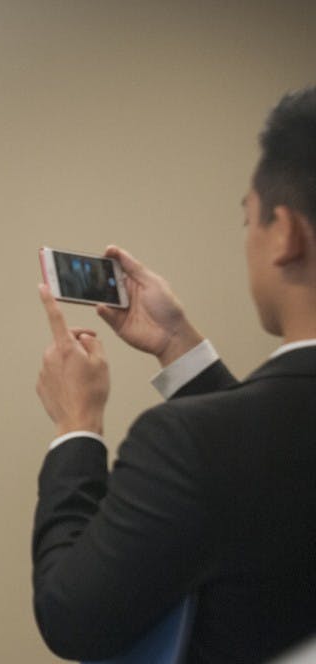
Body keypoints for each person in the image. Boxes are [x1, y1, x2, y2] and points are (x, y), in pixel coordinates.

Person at [32, 86, 316, 663]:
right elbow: (267, 465)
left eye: (248, 220)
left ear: (285, 233)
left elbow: (70, 615)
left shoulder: (182, 442)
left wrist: (77, 427)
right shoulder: (242, 443)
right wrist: (177, 346)